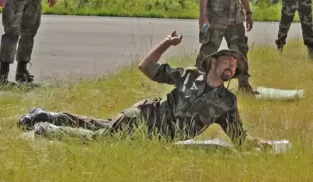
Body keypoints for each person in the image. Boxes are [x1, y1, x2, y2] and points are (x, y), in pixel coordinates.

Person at [17, 31, 271, 150]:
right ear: (214, 62)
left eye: (235, 65)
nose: (232, 65)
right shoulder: (189, 75)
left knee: (97, 125)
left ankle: (43, 115)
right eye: (227, 60)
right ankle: (46, 129)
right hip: (143, 118)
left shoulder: (227, 102)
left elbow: (240, 139)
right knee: (99, 141)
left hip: (156, 139)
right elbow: (146, 66)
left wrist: (266, 145)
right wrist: (166, 43)